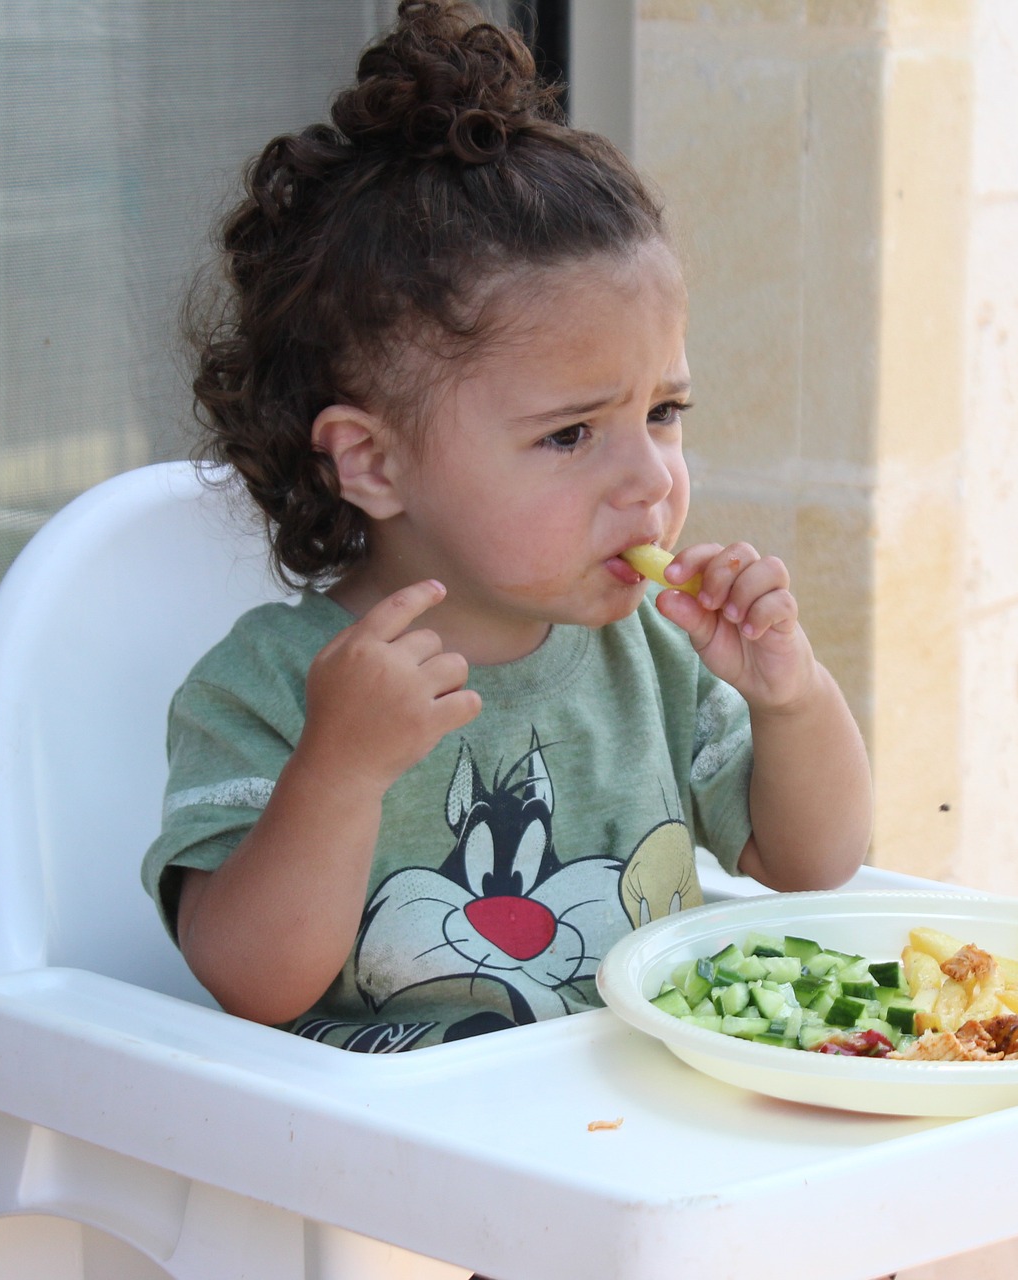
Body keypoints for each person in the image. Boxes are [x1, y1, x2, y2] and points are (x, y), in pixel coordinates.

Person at [141, 0, 872, 1053]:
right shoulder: (269, 688)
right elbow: (253, 980)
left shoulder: (652, 653)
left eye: (663, 413)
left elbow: (815, 859)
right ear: (374, 462)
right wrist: (339, 770)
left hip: (628, 1132)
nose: (651, 481)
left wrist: (792, 695)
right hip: (397, 1177)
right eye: (572, 435)